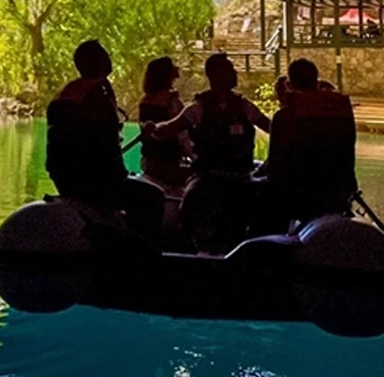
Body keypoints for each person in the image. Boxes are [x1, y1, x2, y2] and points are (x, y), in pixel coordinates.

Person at [144, 53, 271, 252]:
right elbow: (171, 128)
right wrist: (154, 129)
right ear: (214, 75)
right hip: (208, 176)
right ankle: (188, 247)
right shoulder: (198, 107)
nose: (234, 72)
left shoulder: (245, 106)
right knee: (189, 204)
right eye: (229, 69)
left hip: (241, 176)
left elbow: (271, 127)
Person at [46, 40, 164, 242]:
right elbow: (101, 147)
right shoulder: (95, 97)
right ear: (99, 62)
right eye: (105, 54)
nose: (110, 57)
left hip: (66, 180)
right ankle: (143, 251)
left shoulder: (68, 93)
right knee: (153, 197)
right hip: (92, 183)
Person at [264, 58, 357, 225]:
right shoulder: (341, 111)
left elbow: (275, 165)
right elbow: (349, 148)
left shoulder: (284, 116)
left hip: (298, 195)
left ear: (290, 85)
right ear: (317, 80)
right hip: (339, 190)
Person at [137, 57, 191, 193]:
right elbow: (183, 135)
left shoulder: (145, 101)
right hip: (169, 163)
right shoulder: (172, 102)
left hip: (149, 161)